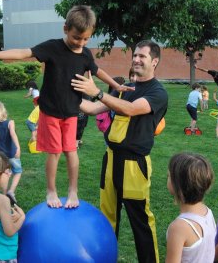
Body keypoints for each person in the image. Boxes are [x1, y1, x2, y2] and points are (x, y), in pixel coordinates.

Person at [0, 5, 130, 209]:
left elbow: (98, 71)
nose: (80, 43)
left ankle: (73, 191)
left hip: (71, 113)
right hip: (51, 113)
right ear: (65, 28)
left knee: (71, 151)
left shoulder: (86, 54)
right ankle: (51, 190)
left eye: (85, 39)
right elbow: (23, 53)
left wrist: (116, 85)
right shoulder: (52, 47)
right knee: (54, 152)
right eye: (76, 38)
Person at [72, 40, 168, 263]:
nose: (136, 59)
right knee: (107, 219)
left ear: (154, 61)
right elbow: (94, 109)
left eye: (142, 56)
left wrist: (97, 92)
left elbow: (132, 109)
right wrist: (70, 95)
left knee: (141, 222)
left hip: (134, 165)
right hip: (111, 159)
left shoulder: (158, 92)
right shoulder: (126, 89)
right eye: (135, 55)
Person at [165, 153, 216, 262]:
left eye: (169, 175)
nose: (167, 177)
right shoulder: (207, 212)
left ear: (178, 184)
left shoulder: (179, 227)